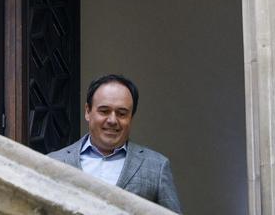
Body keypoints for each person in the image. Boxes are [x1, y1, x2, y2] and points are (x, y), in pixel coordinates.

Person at [48, 74, 182, 213]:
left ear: (131, 117)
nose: (112, 120)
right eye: (104, 111)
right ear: (88, 111)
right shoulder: (54, 162)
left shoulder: (156, 167)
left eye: (122, 113)